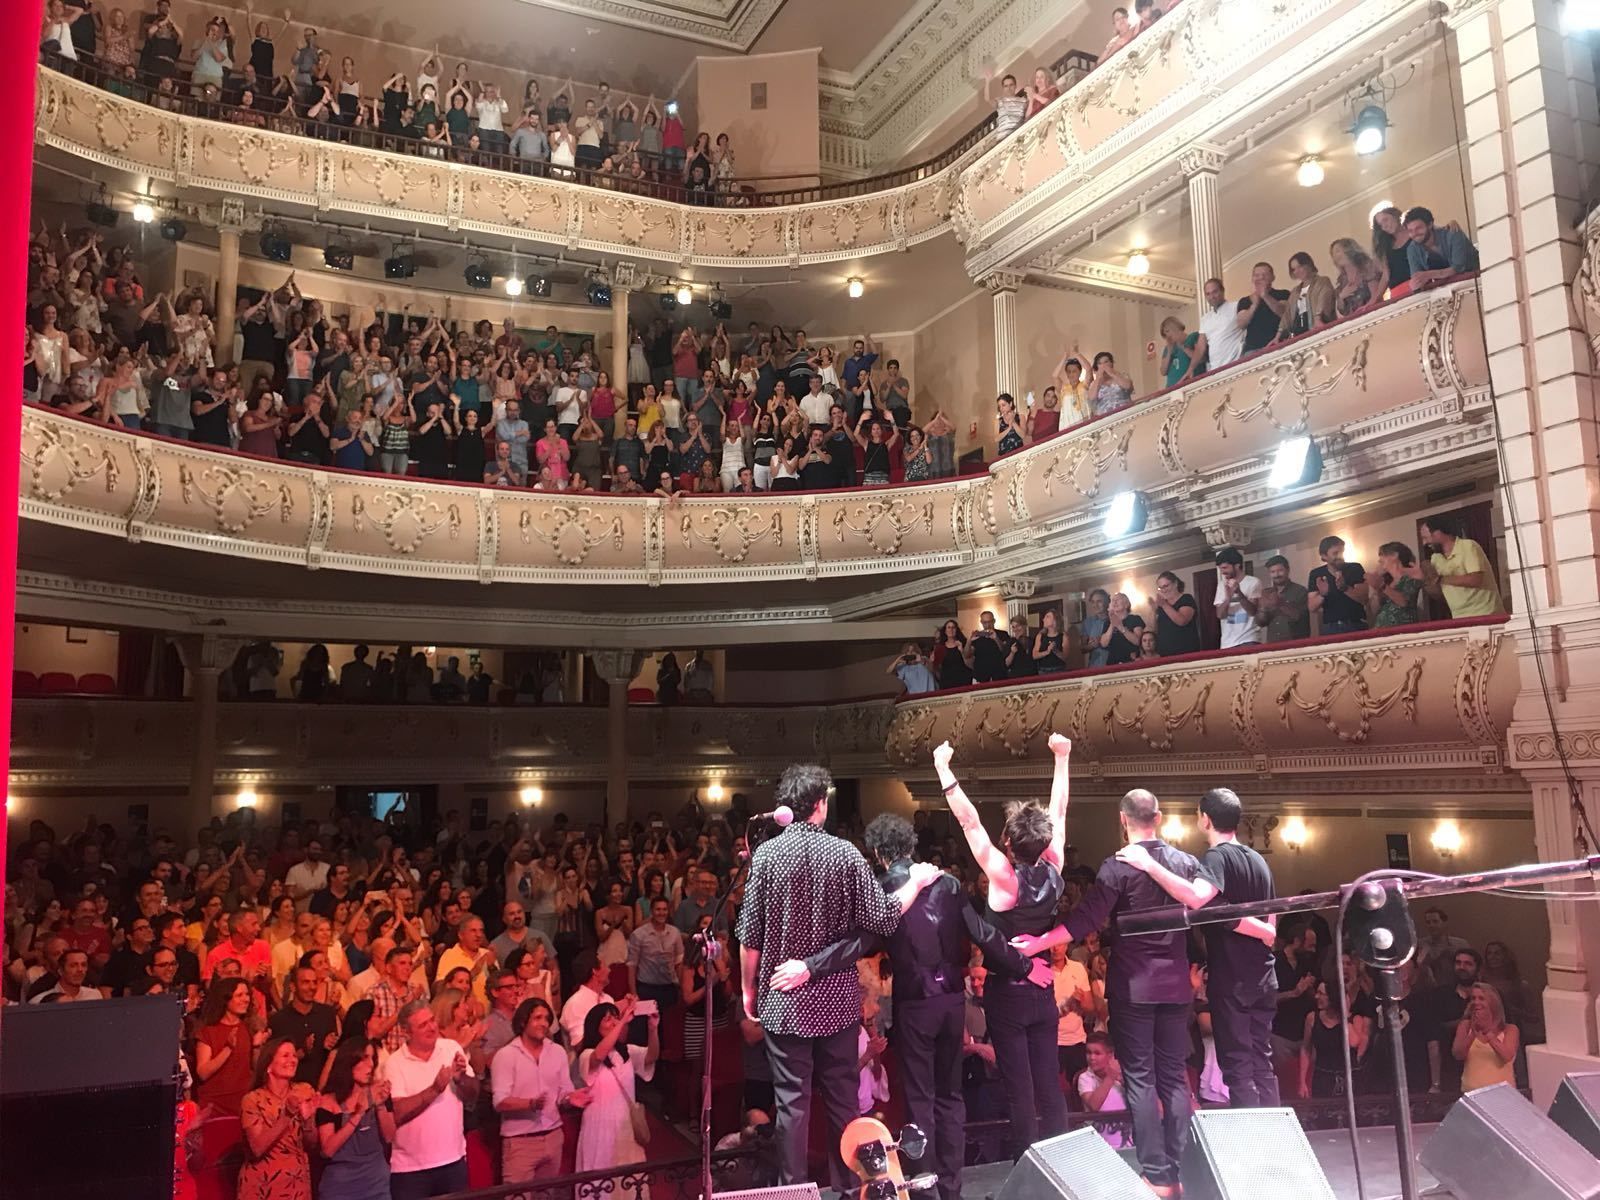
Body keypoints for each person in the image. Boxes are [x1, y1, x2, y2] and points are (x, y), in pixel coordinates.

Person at [771, 813, 1051, 1200]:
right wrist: (1025, 966)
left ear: (877, 852)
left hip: (916, 1006)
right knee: (950, 1098)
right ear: (910, 846)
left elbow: (856, 943)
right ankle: (952, 1190)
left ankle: (924, 1192)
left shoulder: (882, 891)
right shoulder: (948, 884)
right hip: (952, 1002)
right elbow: (985, 934)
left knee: (920, 1100)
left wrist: (809, 967)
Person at [737, 763, 941, 1190]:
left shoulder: (767, 857)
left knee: (791, 1107)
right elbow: (882, 918)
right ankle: (850, 1189)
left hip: (783, 1002)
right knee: (842, 1103)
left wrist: (747, 992)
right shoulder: (846, 855)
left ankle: (794, 1192)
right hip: (835, 1005)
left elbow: (749, 937)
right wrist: (917, 883)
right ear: (820, 804)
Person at [1012, 789, 1202, 1199]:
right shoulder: (1185, 863)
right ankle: (1180, 1169)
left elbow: (1086, 921)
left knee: (1141, 1078)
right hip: (1174, 986)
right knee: (1173, 1076)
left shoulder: (1118, 866)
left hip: (1134, 988)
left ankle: (1157, 1176)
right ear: (1161, 817)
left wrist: (1040, 943)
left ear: (1122, 819)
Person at [932, 734, 1072, 1155]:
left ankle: (1029, 1173)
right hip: (1042, 986)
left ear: (1008, 842)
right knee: (1049, 1085)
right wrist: (1062, 758)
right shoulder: (1056, 864)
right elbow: (1060, 809)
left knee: (1020, 1090)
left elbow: (970, 823)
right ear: (1045, 842)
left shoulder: (1005, 880)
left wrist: (944, 768)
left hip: (1008, 994)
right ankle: (1063, 1162)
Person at [1114, 788, 1280, 1107]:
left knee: (1239, 1068)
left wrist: (1149, 864)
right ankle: (1276, 1143)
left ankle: (1256, 1148)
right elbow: (1271, 923)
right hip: (1264, 976)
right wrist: (1262, 932)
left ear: (1204, 819)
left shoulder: (1217, 857)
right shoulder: (1259, 860)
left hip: (1234, 979)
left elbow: (1195, 897)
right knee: (1262, 1062)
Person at [380, 1000, 478, 1199]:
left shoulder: (451, 1047)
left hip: (454, 1162)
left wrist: (461, 1080)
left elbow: (473, 1094)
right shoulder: (395, 1063)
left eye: (432, 1020)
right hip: (411, 1171)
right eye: (423, 1025)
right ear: (407, 1032)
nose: (432, 1027)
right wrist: (434, 1089)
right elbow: (398, 1112)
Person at [493, 998, 593, 1191]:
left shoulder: (557, 1052)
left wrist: (569, 1098)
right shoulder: (506, 1056)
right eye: (537, 1018)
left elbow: (564, 1091)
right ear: (523, 1022)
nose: (544, 1023)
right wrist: (530, 1104)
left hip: (553, 1137)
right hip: (521, 1143)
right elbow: (499, 1102)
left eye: (547, 1018)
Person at [574, 998, 660, 1173]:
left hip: (625, 1122)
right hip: (600, 1125)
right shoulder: (587, 1054)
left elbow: (651, 1056)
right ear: (594, 1027)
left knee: (628, 1176)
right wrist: (621, 1022)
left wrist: (652, 1029)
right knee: (601, 1176)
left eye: (615, 1017)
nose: (614, 1023)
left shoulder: (626, 1051)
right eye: (608, 1019)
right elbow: (598, 1056)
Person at [238, 1038, 317, 1200]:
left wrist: (308, 1121)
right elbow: (257, 1148)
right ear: (268, 1065)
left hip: (297, 1183)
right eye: (285, 1055)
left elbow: (311, 1144)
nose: (293, 1060)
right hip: (262, 1186)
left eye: (294, 1055)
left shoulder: (304, 1090)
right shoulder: (252, 1100)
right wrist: (287, 1116)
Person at [315, 1041, 395, 1200]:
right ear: (349, 1061)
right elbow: (327, 1150)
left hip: (376, 1186)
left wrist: (379, 1106)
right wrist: (358, 1114)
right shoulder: (329, 1101)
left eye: (373, 1058)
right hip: (340, 1188)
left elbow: (390, 1136)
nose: (371, 1065)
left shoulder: (378, 1092)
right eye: (364, 1058)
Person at [1419, 513, 1505, 616]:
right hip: (1459, 616)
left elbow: (1475, 580)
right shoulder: (1435, 558)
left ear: (1438, 533)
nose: (1424, 543)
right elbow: (1438, 594)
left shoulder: (1468, 546)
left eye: (1426, 537)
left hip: (1486, 613)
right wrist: (1426, 579)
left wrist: (1440, 579)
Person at [1454, 982, 1519, 1091]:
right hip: (1472, 1093)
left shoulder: (1510, 1029)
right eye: (1473, 998)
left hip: (1503, 1094)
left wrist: (1487, 1032)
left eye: (1481, 998)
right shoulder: (1465, 1026)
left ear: (1493, 1002)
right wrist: (1473, 1033)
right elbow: (1458, 1055)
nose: (1476, 1002)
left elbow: (1507, 1056)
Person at [1404, 206, 1480, 288]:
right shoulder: (1412, 248)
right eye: (1410, 231)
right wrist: (1416, 283)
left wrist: (1428, 275)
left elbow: (1459, 267)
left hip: (1476, 281)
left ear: (1430, 224)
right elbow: (1417, 277)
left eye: (1418, 228)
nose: (1415, 233)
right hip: (1445, 291)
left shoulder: (1453, 233)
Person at [1307, 535, 1368, 634]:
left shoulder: (1355, 568)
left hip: (1356, 624)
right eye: (1335, 553)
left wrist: (1345, 588)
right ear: (1324, 556)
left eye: (1342, 552)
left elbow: (1364, 598)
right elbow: (1312, 607)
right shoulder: (1316, 574)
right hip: (1331, 627)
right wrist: (1322, 594)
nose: (1340, 556)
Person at [1214, 547, 1265, 649]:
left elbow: (1252, 611)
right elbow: (1220, 615)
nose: (1222, 572)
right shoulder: (1221, 585)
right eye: (1220, 569)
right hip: (1227, 643)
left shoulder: (1253, 582)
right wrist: (1228, 598)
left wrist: (1239, 593)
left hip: (1249, 639)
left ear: (1237, 565)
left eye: (1225, 568)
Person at [1369, 541, 1424, 628]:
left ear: (1395, 555)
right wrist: (1376, 589)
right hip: (1382, 631)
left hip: (1402, 629)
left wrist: (1382, 586)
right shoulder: (1387, 581)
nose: (1379, 560)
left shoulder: (1411, 575)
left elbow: (1404, 601)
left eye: (1382, 555)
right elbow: (1374, 609)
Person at [1257, 555, 1310, 642]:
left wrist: (1280, 604)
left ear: (1288, 570)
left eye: (1280, 571)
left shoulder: (1300, 590)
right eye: (1272, 572)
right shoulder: (1266, 593)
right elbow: (1261, 623)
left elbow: (1300, 617)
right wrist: (1262, 608)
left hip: (1295, 643)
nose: (1276, 575)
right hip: (1273, 643)